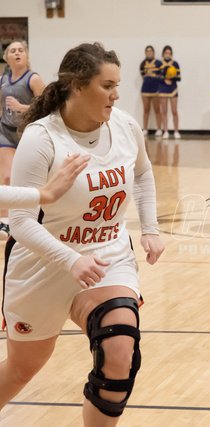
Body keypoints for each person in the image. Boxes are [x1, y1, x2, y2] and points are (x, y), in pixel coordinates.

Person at [0, 42, 165, 425]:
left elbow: (142, 172)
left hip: (106, 255)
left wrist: (150, 228)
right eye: (107, 86)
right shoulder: (42, 138)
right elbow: (21, 223)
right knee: (23, 368)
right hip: (43, 264)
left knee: (120, 351)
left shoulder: (125, 126)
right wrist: (70, 259)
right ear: (77, 85)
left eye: (117, 85)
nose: (116, 94)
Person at [0, 40, 46, 237]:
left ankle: (31, 217)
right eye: (13, 50)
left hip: (28, 133)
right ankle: (5, 223)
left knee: (30, 179)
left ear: (27, 56)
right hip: (6, 131)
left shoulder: (33, 79)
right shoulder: (3, 79)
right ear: (7, 57)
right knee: (7, 176)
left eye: (21, 50)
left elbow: (46, 106)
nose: (17, 53)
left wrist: (21, 108)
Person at [158, 45, 181, 140]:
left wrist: (171, 78)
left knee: (174, 111)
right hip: (163, 88)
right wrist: (165, 79)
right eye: (166, 53)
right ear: (163, 53)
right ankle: (165, 131)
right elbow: (157, 76)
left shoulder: (175, 64)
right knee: (164, 111)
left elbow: (179, 78)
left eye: (169, 53)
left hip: (173, 89)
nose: (168, 54)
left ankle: (176, 131)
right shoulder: (159, 63)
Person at [139, 45, 162, 137]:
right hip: (145, 90)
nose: (149, 52)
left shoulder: (159, 63)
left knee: (157, 109)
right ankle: (145, 129)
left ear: (153, 52)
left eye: (151, 51)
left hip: (156, 90)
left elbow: (162, 76)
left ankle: (159, 129)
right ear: (145, 53)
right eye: (147, 51)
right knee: (146, 110)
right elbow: (143, 76)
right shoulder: (142, 64)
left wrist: (154, 76)